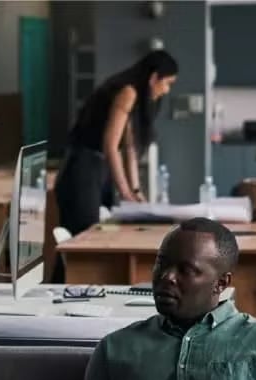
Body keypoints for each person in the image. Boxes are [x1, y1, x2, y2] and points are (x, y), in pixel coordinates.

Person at [79, 218, 256, 380]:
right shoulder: (115, 349)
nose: (167, 277)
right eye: (161, 264)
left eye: (186, 270)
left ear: (220, 283)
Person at [52, 50, 178, 282]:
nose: (166, 90)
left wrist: (136, 192)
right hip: (83, 168)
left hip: (99, 170)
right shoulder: (127, 91)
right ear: (153, 77)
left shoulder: (136, 96)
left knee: (101, 237)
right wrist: (125, 192)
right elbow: (111, 146)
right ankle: (58, 293)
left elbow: (129, 148)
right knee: (82, 242)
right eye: (167, 83)